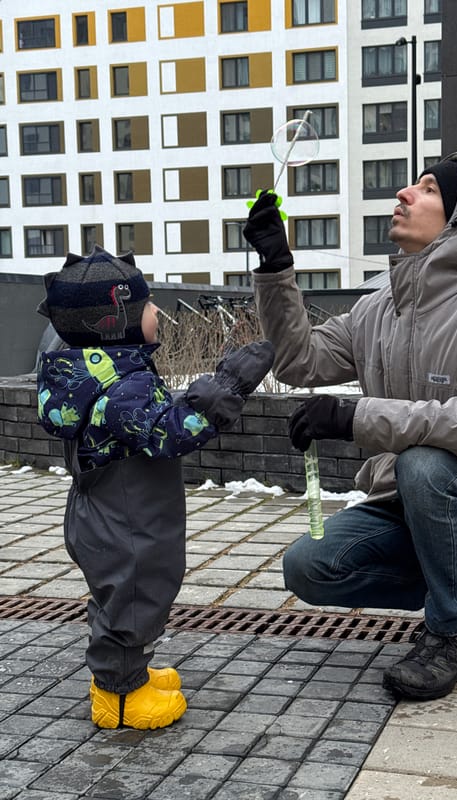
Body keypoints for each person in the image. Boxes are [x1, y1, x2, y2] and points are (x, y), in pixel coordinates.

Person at [243, 152, 457, 702]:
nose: (404, 194)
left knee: (425, 462)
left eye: (428, 190)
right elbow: (301, 362)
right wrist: (276, 267)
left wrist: (354, 416)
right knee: (310, 567)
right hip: (413, 500)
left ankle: (452, 636)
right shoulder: (380, 307)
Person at [36, 245, 274, 728]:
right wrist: (229, 382)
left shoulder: (87, 369)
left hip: (103, 512)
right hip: (129, 520)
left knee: (118, 595)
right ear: (115, 321)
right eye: (147, 306)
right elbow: (173, 431)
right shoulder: (122, 385)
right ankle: (120, 698)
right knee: (134, 595)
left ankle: (126, 674)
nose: (158, 312)